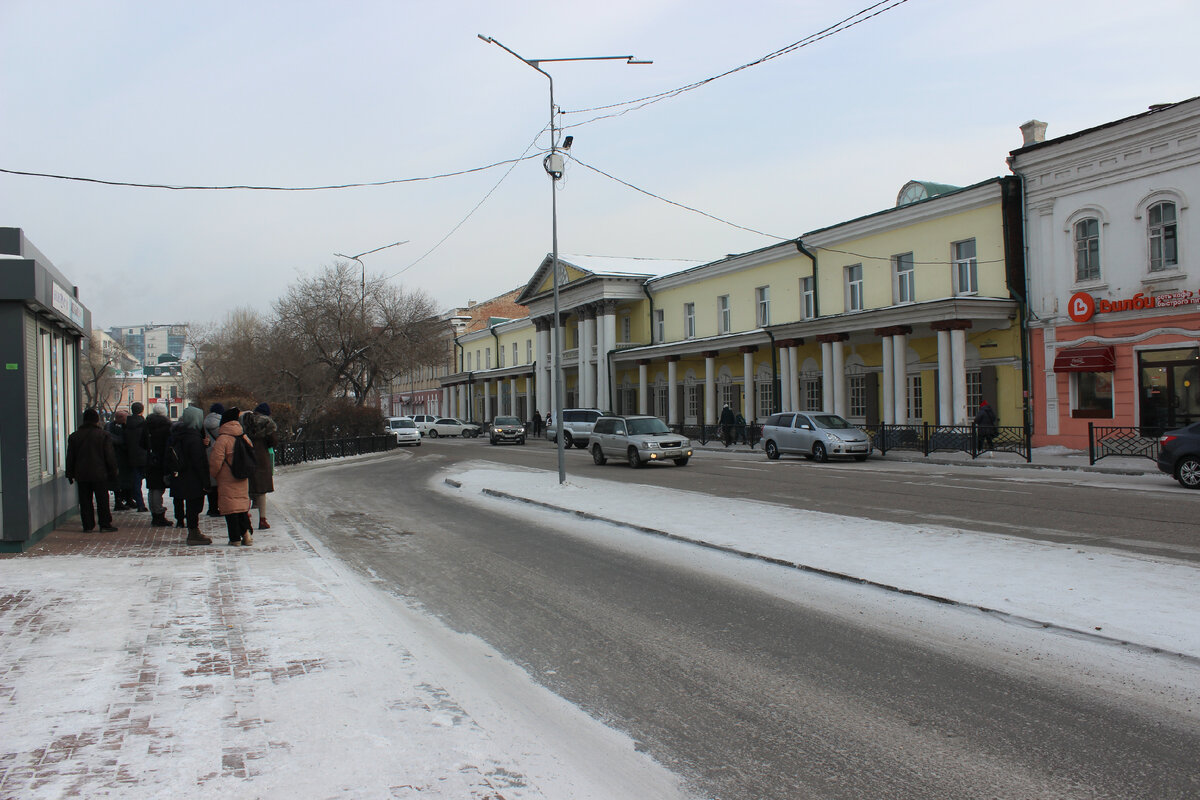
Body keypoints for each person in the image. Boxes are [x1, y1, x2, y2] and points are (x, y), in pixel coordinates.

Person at [65, 408, 119, 533]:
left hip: (81, 474)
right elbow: (109, 455)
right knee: (102, 500)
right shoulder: (103, 435)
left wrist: (70, 473)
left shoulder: (74, 436)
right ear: (96, 420)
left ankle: (88, 525)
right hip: (100, 473)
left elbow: (70, 457)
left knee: (85, 500)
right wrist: (113, 471)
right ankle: (105, 524)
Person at [209, 406, 254, 546]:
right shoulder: (244, 436)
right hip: (243, 476)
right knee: (241, 507)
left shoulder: (223, 439)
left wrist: (213, 475)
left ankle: (235, 539)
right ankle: (246, 534)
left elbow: (216, 461)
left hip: (227, 477)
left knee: (230, 509)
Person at [171, 406, 212, 545]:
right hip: (193, 478)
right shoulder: (193, 438)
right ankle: (193, 533)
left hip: (183, 476)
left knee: (191, 505)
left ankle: (193, 531)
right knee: (194, 506)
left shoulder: (180, 433)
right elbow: (198, 461)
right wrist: (206, 481)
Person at [241, 403, 278, 531]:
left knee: (246, 489)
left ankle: (245, 516)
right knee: (261, 491)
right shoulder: (267, 424)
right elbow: (273, 442)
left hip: (247, 457)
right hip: (261, 458)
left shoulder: (245, 421)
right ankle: (262, 520)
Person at [144, 404, 174, 527]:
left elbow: (142, 443)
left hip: (150, 459)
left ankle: (154, 512)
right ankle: (158, 513)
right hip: (161, 459)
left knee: (152, 488)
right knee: (158, 488)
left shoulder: (147, 424)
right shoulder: (167, 427)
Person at [124, 402, 149, 512]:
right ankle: (145, 504)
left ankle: (139, 503)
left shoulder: (127, 425)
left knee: (136, 481)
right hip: (144, 457)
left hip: (131, 457)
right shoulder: (144, 424)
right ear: (142, 411)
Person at [106, 409, 132, 509]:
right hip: (117, 458)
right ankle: (119, 501)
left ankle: (128, 499)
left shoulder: (125, 426)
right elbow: (118, 440)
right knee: (117, 481)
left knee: (127, 480)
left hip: (124, 458)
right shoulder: (110, 427)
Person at [202, 403, 224, 516]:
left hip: (207, 454)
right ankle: (218, 507)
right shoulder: (221, 424)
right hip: (218, 453)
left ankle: (212, 508)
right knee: (219, 483)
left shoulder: (204, 423)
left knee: (211, 483)